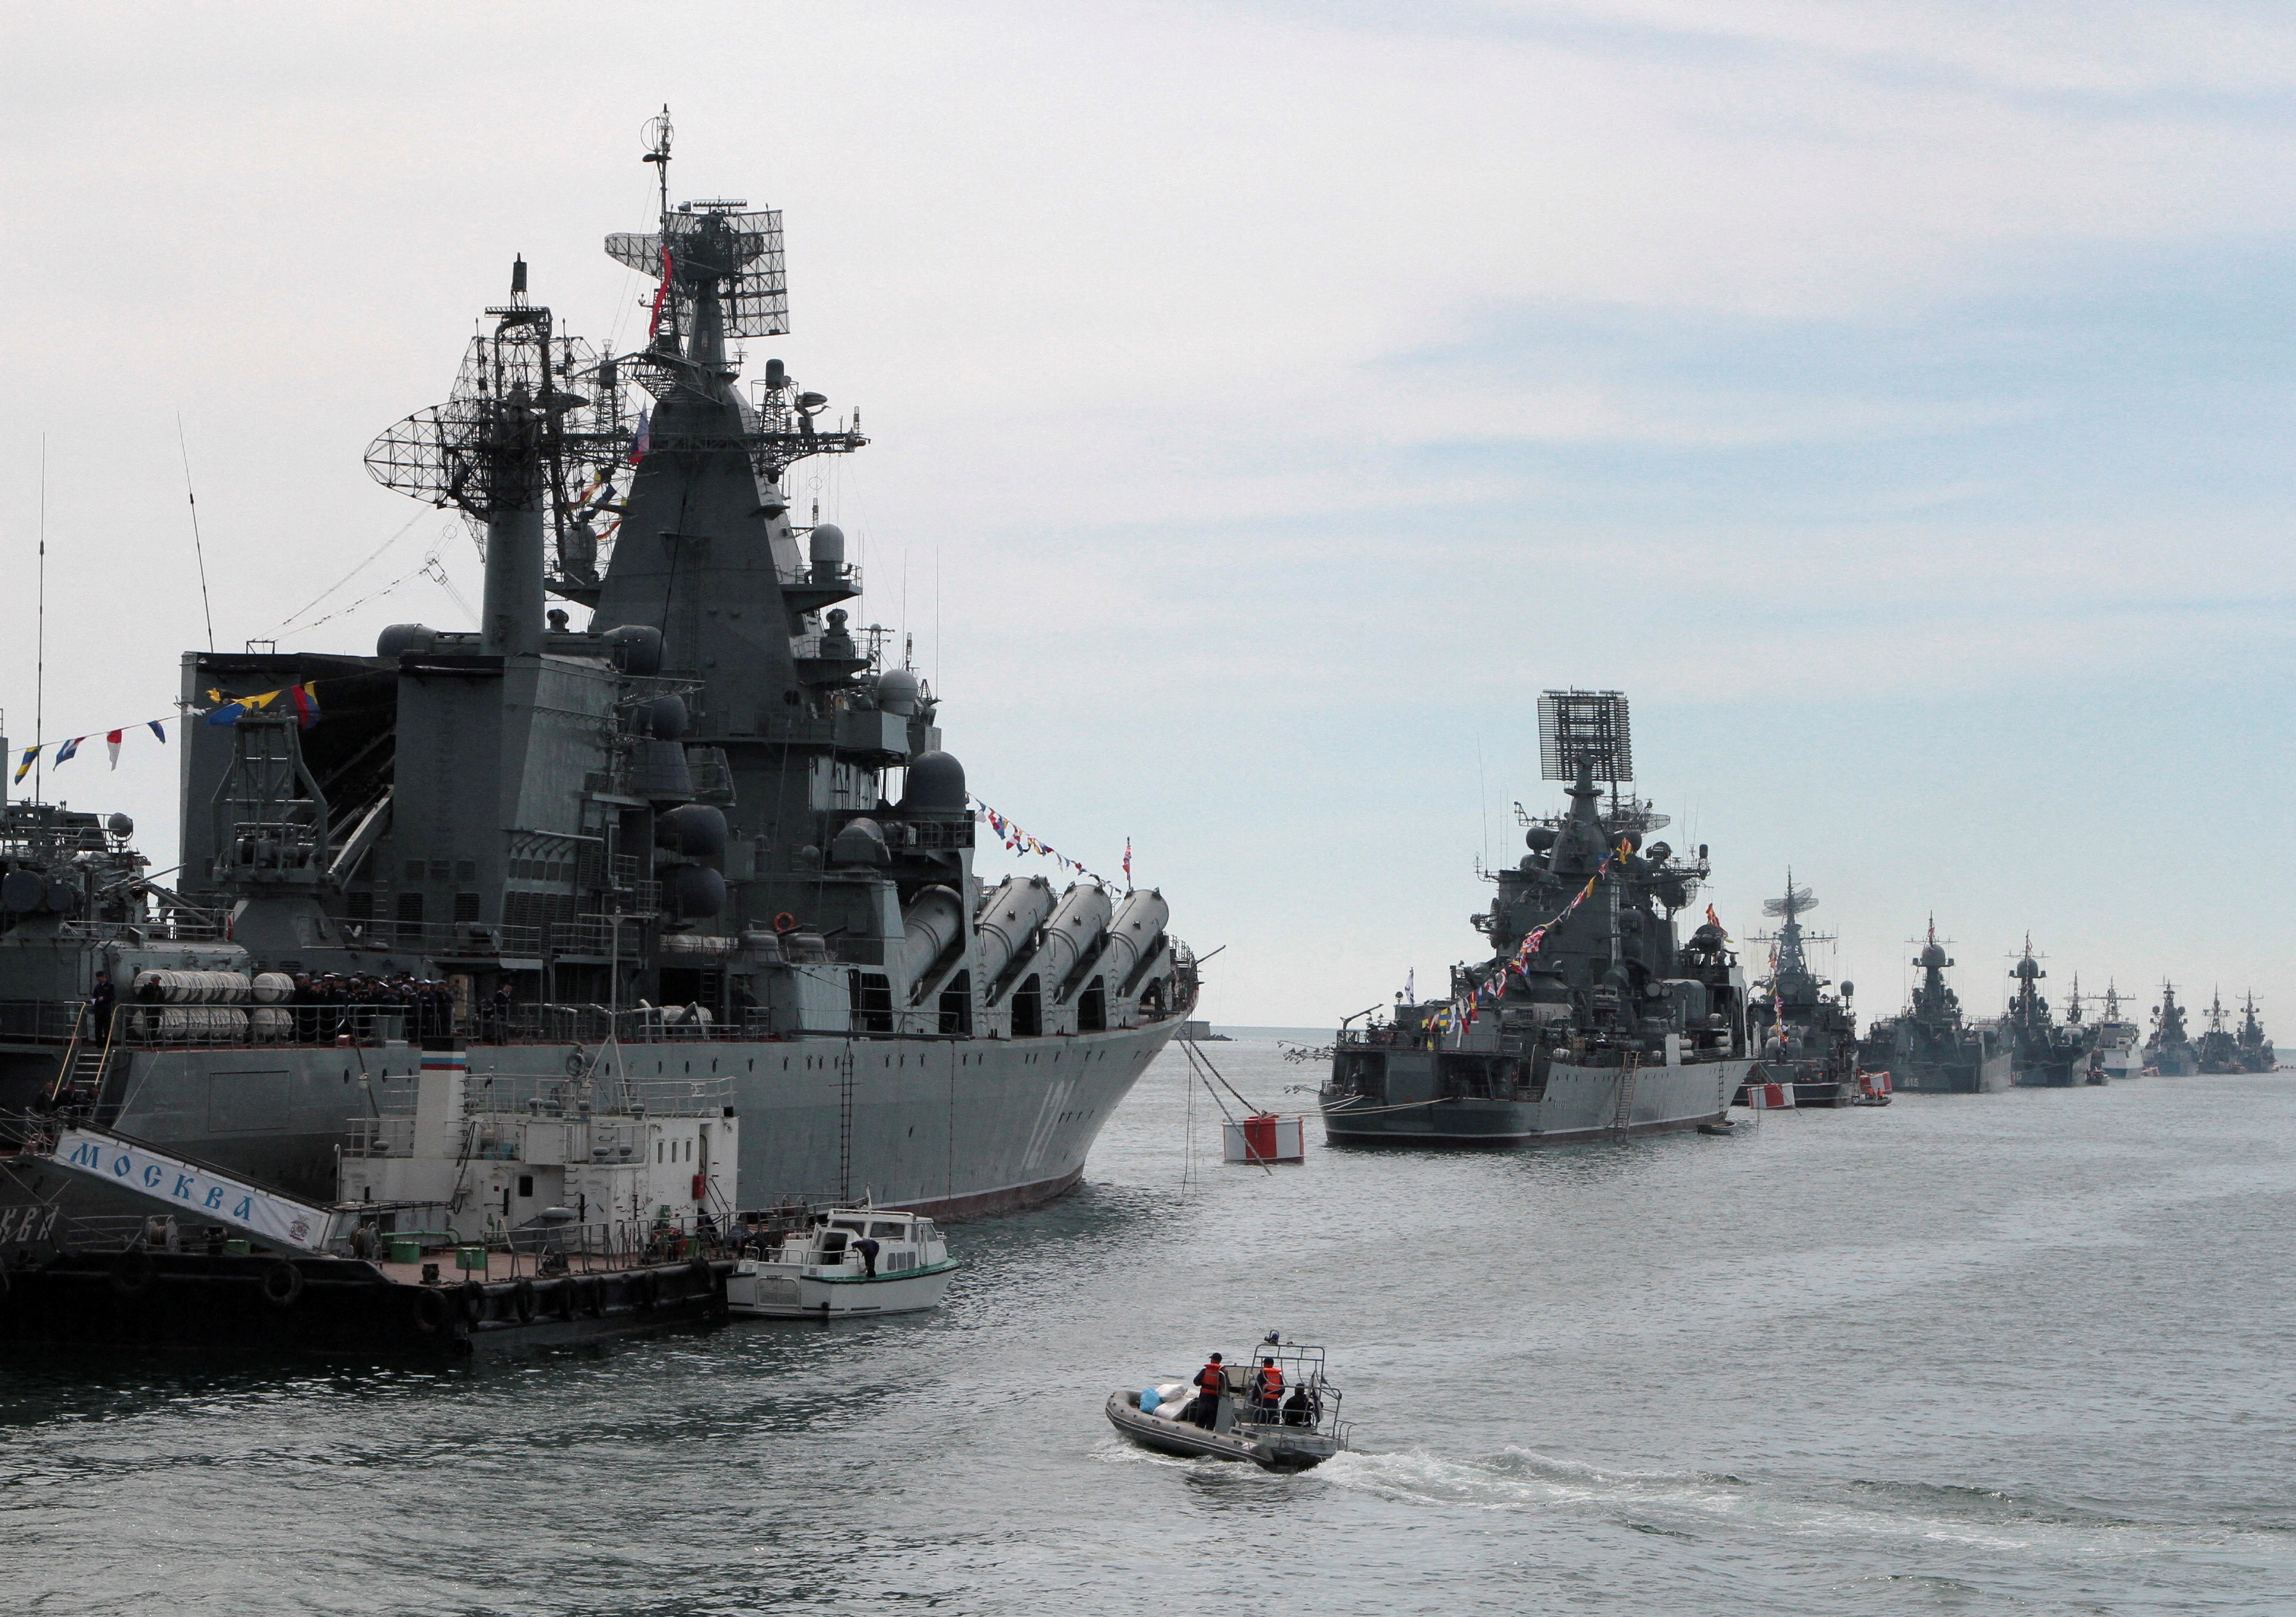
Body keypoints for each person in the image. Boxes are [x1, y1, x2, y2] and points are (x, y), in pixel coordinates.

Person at [1188, 1353, 1226, 1429]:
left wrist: (1203, 1384)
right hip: (1215, 1398)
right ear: (1220, 1361)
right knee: (1211, 1419)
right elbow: (1226, 1385)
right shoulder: (1222, 1373)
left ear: (1212, 1360)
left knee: (1201, 1417)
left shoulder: (1204, 1371)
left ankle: (1198, 1432)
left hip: (1204, 1397)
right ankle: (1209, 1431)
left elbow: (1196, 1382)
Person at [1254, 1356, 1284, 1422]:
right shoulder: (1279, 1376)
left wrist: (1254, 1398)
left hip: (1264, 1401)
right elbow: (1282, 1390)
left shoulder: (1263, 1375)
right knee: (1272, 1418)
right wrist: (1276, 1396)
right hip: (1274, 1401)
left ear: (1264, 1364)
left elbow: (1257, 1388)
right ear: (1273, 1364)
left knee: (1261, 1418)